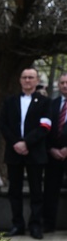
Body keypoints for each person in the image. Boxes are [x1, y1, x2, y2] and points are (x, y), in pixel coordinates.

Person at [0, 66, 51, 239]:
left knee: (36, 191)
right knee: (14, 190)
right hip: (14, 152)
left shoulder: (45, 102)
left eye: (31, 77)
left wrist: (26, 143)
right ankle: (17, 224)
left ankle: (36, 225)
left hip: (35, 152)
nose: (28, 80)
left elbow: (45, 126)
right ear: (20, 80)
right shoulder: (10, 101)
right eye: (24, 77)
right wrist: (16, 143)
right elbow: (3, 125)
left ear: (37, 81)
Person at [43, 72, 67, 232]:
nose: (65, 85)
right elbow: (45, 128)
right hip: (53, 154)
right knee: (50, 191)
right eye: (62, 83)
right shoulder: (51, 104)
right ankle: (48, 225)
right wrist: (51, 149)